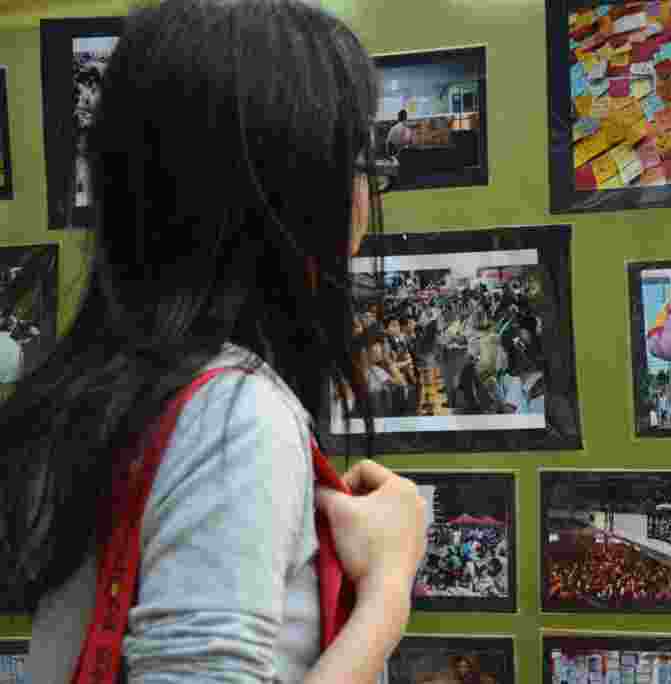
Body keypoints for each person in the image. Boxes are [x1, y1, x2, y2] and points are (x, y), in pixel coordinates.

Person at [0, 2, 428, 684]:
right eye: (353, 160)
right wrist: (388, 590)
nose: (364, 194)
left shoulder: (109, 390)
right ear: (290, 185)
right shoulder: (234, 416)